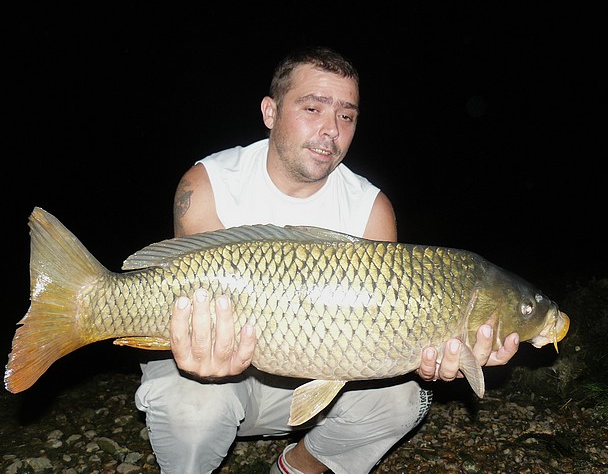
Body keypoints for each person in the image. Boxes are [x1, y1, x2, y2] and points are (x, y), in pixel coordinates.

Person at [135, 46, 520, 474]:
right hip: (213, 376)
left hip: (310, 383)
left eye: (346, 116)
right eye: (313, 108)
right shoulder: (208, 184)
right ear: (270, 111)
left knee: (404, 399)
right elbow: (183, 292)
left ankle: (298, 466)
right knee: (191, 407)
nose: (331, 130)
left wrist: (433, 357)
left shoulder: (371, 209)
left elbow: (378, 341)